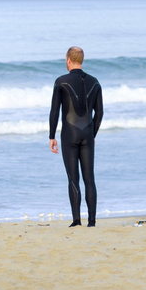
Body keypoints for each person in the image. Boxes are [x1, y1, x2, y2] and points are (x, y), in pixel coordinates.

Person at [49, 46, 104, 227]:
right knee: (90, 178)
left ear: (68, 60)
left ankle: (76, 220)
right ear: (82, 59)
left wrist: (51, 136)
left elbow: (54, 112)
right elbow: (100, 113)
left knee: (73, 178)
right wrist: (92, 133)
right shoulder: (95, 82)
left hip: (69, 135)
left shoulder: (61, 81)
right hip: (87, 134)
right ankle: (92, 221)